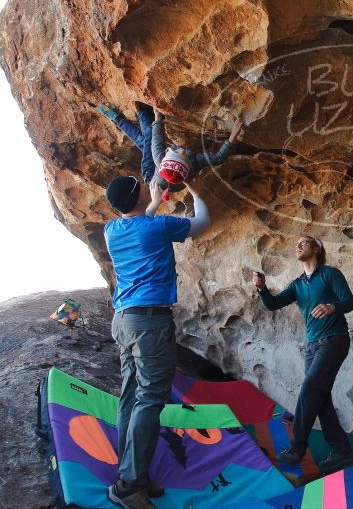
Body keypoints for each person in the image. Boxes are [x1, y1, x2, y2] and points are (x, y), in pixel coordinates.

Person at [103, 175, 211, 509]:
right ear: (138, 198)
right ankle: (129, 484)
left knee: (130, 396)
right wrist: (196, 191)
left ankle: (132, 471)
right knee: (149, 400)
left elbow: (141, 221)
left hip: (123, 320)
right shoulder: (158, 227)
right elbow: (203, 222)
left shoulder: (111, 230)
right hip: (149, 323)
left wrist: (151, 202)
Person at [251, 236, 353, 468]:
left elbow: (350, 302)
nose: (298, 246)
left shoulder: (330, 274)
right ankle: (341, 449)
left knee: (310, 388)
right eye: (296, 244)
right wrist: (262, 289)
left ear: (317, 248)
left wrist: (332, 307)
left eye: (304, 242)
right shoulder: (297, 284)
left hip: (334, 340)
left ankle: (297, 447)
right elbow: (273, 304)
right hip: (312, 345)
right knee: (320, 396)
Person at [98, 102, 243, 200]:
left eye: (178, 153)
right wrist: (233, 135)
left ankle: (134, 114)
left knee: (147, 139)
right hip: (165, 178)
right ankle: (135, 114)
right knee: (144, 141)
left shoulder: (159, 156)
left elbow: (157, 136)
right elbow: (219, 157)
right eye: (182, 154)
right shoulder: (194, 163)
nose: (180, 150)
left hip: (150, 174)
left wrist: (157, 117)